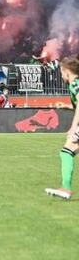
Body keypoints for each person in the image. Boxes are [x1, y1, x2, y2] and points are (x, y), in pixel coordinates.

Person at [46, 57, 79, 200]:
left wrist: (73, 128)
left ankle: (66, 188)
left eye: (61, 72)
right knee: (67, 151)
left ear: (66, 72)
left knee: (66, 152)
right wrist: (66, 106)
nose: (61, 75)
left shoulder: (75, 84)